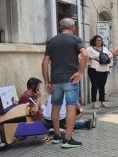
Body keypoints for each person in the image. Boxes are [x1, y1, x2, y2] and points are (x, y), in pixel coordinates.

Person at [41, 17, 88, 148]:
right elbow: (85, 55)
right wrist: (80, 72)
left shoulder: (52, 41)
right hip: (71, 79)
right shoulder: (76, 40)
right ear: (73, 28)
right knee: (71, 107)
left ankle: (56, 135)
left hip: (55, 80)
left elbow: (45, 62)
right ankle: (67, 139)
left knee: (55, 107)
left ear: (60, 28)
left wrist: (47, 81)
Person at [86, 35, 113, 109]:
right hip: (94, 69)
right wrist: (88, 61)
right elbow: (84, 56)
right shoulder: (89, 49)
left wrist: (105, 57)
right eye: (98, 40)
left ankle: (102, 101)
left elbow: (110, 55)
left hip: (104, 69)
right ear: (94, 41)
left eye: (100, 40)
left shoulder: (105, 48)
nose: (99, 42)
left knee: (102, 85)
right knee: (94, 85)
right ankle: (94, 102)